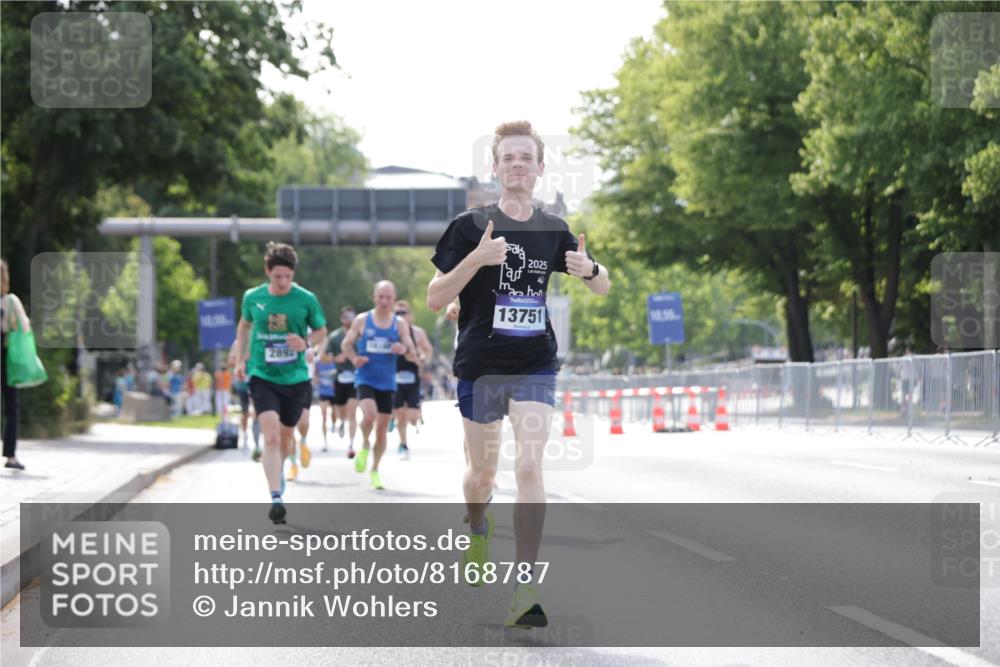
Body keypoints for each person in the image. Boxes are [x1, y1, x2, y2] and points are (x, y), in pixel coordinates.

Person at [426, 121, 610, 628]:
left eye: (525, 157)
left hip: (534, 364)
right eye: (508, 157)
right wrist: (477, 260)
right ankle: (478, 527)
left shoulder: (553, 228)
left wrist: (589, 270)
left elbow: (603, 286)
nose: (517, 165)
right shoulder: (470, 225)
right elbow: (435, 297)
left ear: (540, 167)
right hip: (480, 367)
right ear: (495, 166)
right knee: (482, 475)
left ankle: (525, 588)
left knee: (529, 468)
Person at [233, 242, 327, 524]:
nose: (283, 282)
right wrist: (240, 359)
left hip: (296, 378)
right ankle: (276, 497)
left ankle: (281, 467)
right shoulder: (252, 297)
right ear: (267, 272)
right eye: (278, 277)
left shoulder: (306, 299)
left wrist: (306, 342)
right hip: (263, 375)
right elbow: (244, 325)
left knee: (286, 440)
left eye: (288, 277)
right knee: (271, 436)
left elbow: (322, 330)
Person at [342, 281, 418, 490]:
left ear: (393, 299)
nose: (384, 301)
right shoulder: (362, 320)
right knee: (369, 415)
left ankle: (375, 469)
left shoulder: (399, 324)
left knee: (383, 430)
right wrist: (354, 358)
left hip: (387, 381)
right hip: (365, 378)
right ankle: (365, 444)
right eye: (381, 297)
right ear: (374, 297)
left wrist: (402, 348)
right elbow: (346, 344)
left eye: (388, 298)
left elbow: (412, 353)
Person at [392, 300, 433, 460]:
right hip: (394, 377)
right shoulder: (390, 331)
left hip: (412, 377)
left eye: (403, 313)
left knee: (412, 418)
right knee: (401, 414)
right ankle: (403, 444)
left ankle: (404, 420)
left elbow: (428, 350)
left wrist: (421, 359)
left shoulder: (417, 333)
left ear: (410, 316)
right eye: (397, 313)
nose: (400, 316)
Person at [1, 259, 28, 470]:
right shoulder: (10, 301)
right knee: (11, 407)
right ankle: (10, 456)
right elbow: (24, 327)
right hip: (7, 357)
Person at [325, 306, 359, 457]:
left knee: (352, 411)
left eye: (351, 316)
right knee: (340, 411)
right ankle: (340, 422)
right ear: (341, 319)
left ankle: (351, 444)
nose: (348, 319)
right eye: (345, 317)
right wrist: (334, 358)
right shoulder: (334, 337)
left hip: (356, 377)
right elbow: (323, 356)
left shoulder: (360, 335)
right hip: (339, 377)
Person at [314, 344, 337, 452]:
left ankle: (334, 424)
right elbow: (314, 375)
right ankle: (325, 441)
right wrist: (316, 379)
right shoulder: (318, 362)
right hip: (323, 391)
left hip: (333, 391)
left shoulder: (333, 360)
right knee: (323, 415)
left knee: (334, 413)